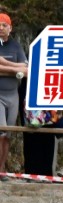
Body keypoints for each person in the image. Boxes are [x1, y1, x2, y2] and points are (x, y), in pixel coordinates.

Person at [0, 13, 25, 172]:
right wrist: (15, 69)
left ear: (10, 28)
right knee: (0, 132)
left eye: (4, 25)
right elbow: (21, 69)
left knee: (8, 134)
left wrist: (5, 68)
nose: (0, 28)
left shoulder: (16, 46)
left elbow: (26, 68)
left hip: (13, 95)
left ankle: (2, 167)